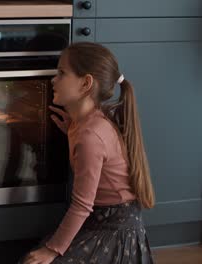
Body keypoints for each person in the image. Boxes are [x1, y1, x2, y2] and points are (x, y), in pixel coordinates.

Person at [22, 42, 155, 264]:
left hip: (117, 230)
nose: (54, 80)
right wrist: (71, 131)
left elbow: (82, 205)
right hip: (102, 219)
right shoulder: (85, 123)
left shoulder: (90, 136)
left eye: (62, 73)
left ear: (86, 83)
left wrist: (52, 250)